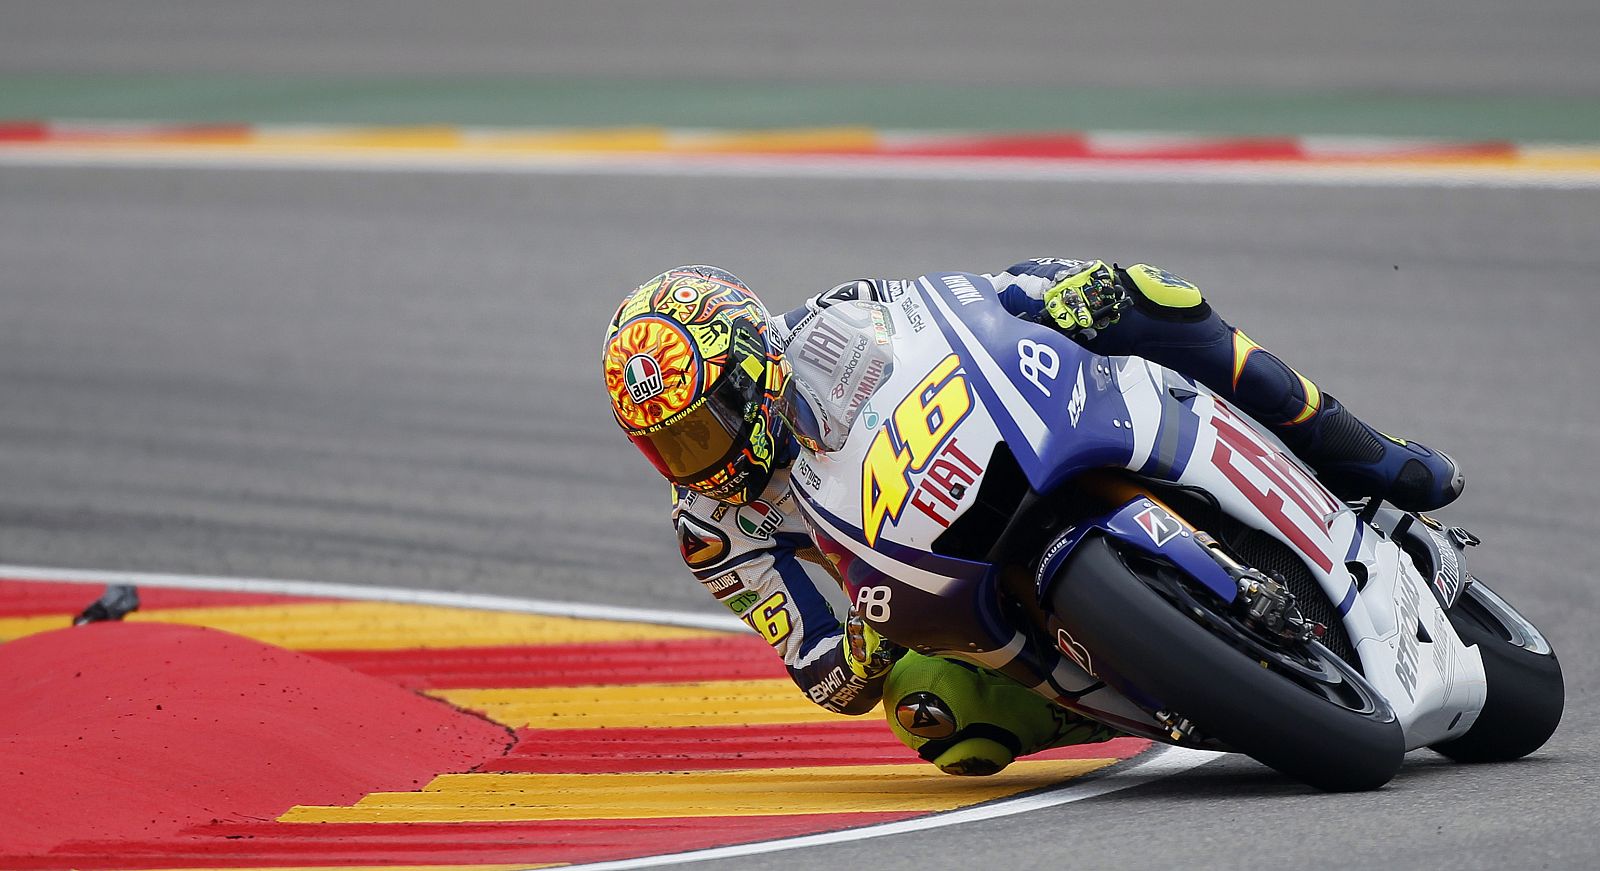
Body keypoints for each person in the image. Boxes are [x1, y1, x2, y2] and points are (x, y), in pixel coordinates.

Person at [600, 260, 1462, 775]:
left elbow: (959, 307)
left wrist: (1051, 296)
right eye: (667, 446)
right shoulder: (714, 529)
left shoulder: (830, 326)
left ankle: (1362, 450)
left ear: (753, 371)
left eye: (703, 426)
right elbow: (820, 670)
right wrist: (862, 642)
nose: (697, 460)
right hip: (929, 598)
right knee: (933, 718)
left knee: (1144, 293)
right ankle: (1143, 690)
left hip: (989, 452)